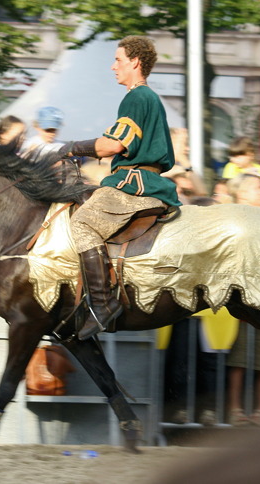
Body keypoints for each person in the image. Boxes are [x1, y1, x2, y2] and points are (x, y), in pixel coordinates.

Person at [60, 36, 180, 340]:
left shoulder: (137, 97)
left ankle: (102, 305)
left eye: (118, 60)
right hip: (149, 180)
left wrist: (72, 147)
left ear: (135, 63)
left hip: (135, 183)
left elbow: (113, 145)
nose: (113, 66)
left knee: (82, 223)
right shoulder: (147, 98)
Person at [224, 173, 260, 426]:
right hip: (240, 303)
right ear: (242, 194)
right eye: (257, 188)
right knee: (239, 361)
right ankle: (235, 410)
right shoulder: (232, 220)